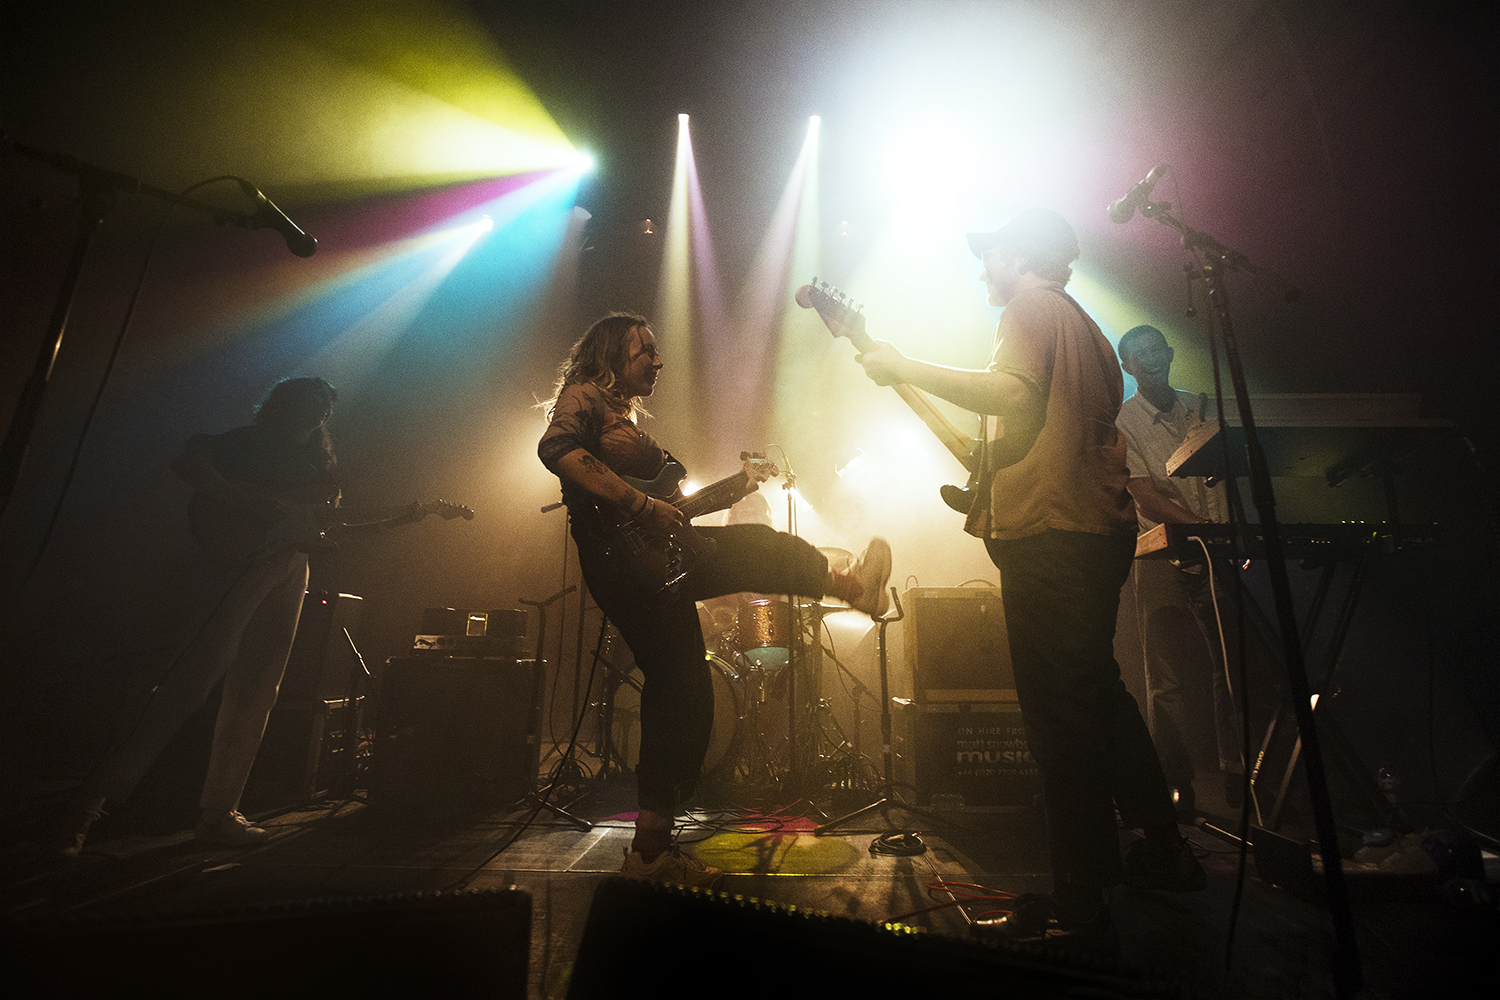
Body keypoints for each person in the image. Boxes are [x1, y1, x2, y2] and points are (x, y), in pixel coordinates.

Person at [856, 209, 1204, 940]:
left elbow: (1012, 394)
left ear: (1019, 255)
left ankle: (1080, 899)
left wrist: (905, 366)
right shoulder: (1085, 329)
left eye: (990, 256)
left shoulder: (1031, 307)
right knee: (1099, 695)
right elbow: (1033, 431)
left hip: (1052, 536)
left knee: (1060, 716)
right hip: (1092, 534)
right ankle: (1165, 849)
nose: (984, 270)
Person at [538, 312, 891, 888]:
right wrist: (639, 506)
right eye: (644, 350)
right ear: (609, 355)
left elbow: (675, 511)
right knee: (755, 546)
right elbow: (557, 451)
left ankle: (649, 855)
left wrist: (737, 486)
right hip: (627, 566)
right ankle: (853, 588)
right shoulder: (583, 397)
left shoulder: (624, 417)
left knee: (685, 695)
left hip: (654, 562)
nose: (657, 360)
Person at [53, 376, 423, 854]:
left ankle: (219, 812)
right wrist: (250, 502)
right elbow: (188, 463)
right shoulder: (246, 442)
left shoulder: (317, 466)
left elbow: (321, 522)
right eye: (308, 404)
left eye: (323, 410)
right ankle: (83, 808)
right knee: (187, 682)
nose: (317, 415)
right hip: (241, 562)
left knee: (258, 688)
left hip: (290, 565)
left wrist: (406, 515)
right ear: (282, 405)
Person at [1115, 324, 1244, 819]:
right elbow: (1144, 493)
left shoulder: (1202, 405)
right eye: (1138, 354)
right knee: (1164, 675)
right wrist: (1206, 530)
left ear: (1170, 353)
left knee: (1230, 668)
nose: (1150, 359)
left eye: (1156, 349)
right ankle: (1176, 782)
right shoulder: (1124, 420)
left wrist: (1228, 532)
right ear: (1127, 367)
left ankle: (1238, 773)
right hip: (1161, 553)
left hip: (1217, 550)